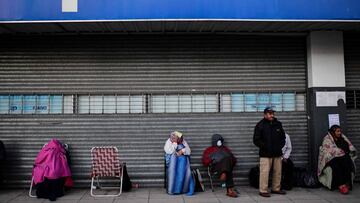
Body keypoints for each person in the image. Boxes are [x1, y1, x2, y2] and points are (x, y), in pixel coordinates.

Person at [253, 107, 286, 197]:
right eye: (269, 113)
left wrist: (280, 146)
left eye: (272, 113)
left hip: (277, 153)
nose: (272, 115)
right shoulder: (260, 125)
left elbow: (283, 138)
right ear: (265, 115)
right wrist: (265, 147)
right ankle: (263, 190)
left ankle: (276, 189)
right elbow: (256, 140)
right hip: (265, 154)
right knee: (264, 172)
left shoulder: (278, 124)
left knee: (278, 172)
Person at [317, 125, 357, 194]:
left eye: (340, 131)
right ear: (333, 132)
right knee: (336, 166)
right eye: (337, 131)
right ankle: (341, 185)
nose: (339, 133)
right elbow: (327, 150)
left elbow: (348, 147)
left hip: (342, 157)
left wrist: (340, 151)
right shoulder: (327, 139)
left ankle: (347, 183)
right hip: (331, 158)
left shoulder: (342, 138)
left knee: (347, 162)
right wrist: (337, 151)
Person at [164, 131, 194, 195]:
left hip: (182, 160)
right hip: (172, 161)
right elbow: (168, 151)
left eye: (178, 138)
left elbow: (188, 151)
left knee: (183, 169)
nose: (177, 139)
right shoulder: (169, 142)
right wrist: (174, 144)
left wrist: (182, 150)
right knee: (174, 171)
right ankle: (173, 190)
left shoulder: (183, 142)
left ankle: (182, 189)